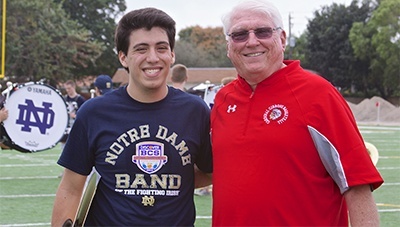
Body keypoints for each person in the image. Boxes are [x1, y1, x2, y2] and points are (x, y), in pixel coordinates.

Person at [210, 0, 384, 226]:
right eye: (239, 35)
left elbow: (357, 184)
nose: (252, 42)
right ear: (228, 46)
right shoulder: (223, 100)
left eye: (263, 32)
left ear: (281, 39)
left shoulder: (319, 94)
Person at [52, 7, 212, 226]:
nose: (153, 57)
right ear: (123, 57)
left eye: (161, 48)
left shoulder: (196, 111)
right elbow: (71, 187)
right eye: (141, 49)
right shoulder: (94, 112)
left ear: (172, 55)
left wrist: (156, 181)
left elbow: (210, 172)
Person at [60, 80, 86, 147]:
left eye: (69, 88)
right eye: (66, 89)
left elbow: (84, 114)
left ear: (73, 87)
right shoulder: (64, 99)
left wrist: (75, 116)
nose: (67, 90)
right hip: (66, 125)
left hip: (75, 125)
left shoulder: (80, 100)